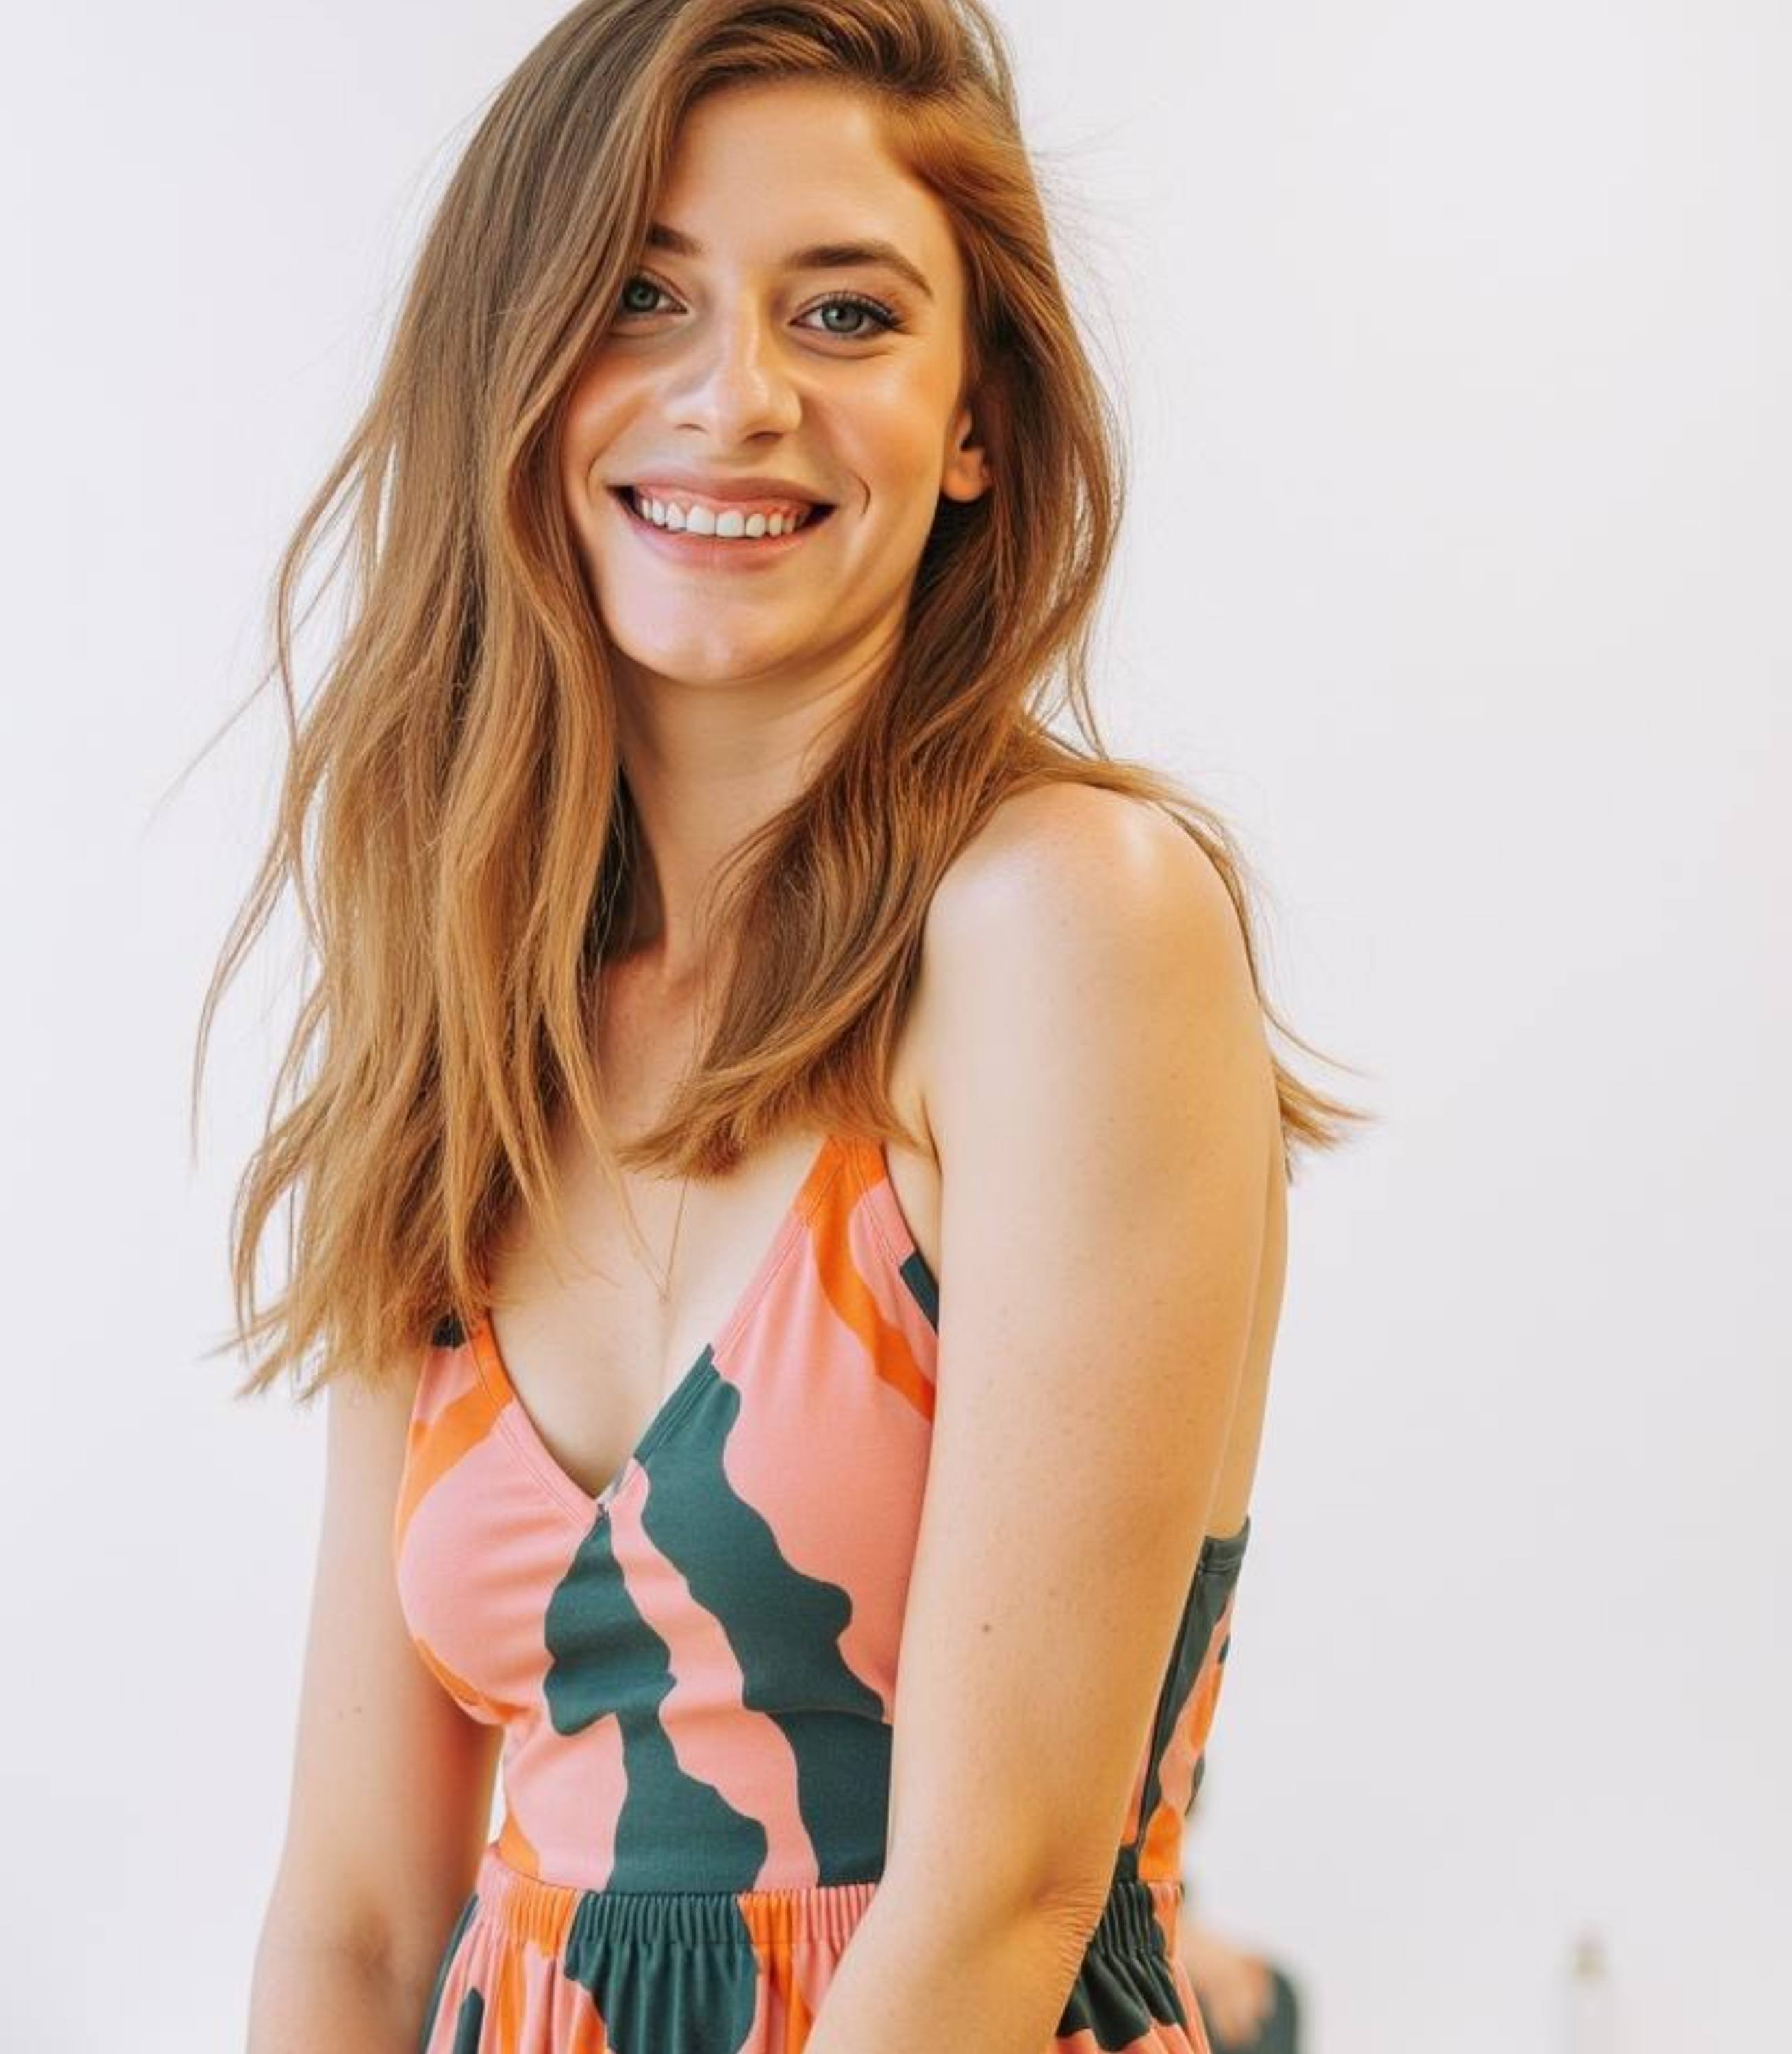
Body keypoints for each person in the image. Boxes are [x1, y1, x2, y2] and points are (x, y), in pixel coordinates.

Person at [207, 2, 1369, 2048]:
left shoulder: (1067, 925)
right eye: (639, 295)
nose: (736, 394)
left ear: (974, 422)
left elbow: (1000, 1903)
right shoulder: (472, 1015)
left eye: (844, 315)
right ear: (518, 369)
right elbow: (361, 1924)